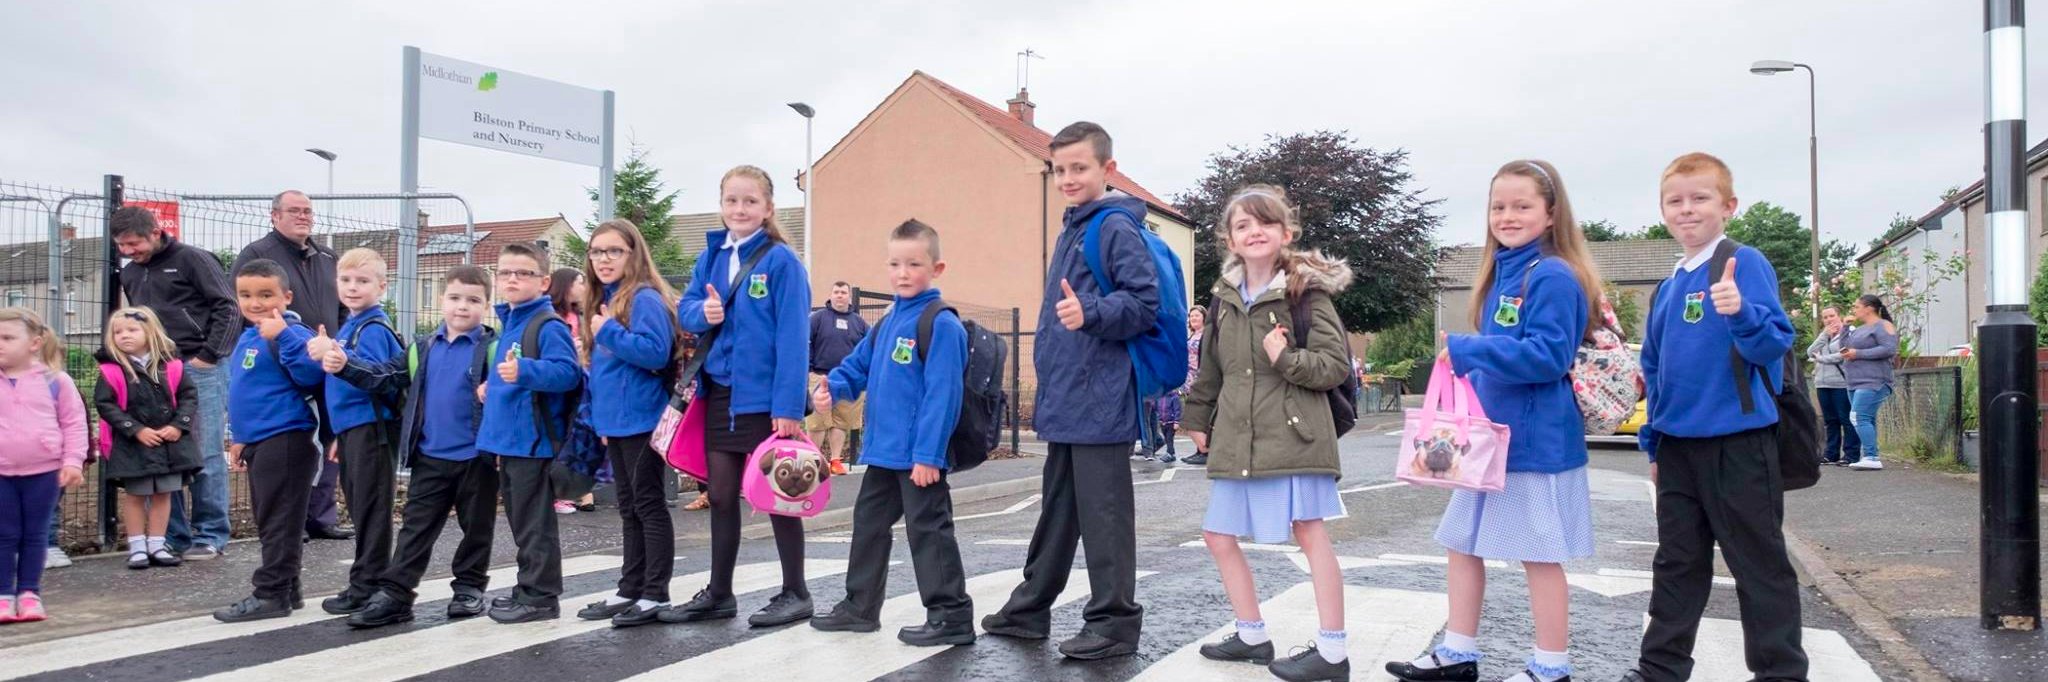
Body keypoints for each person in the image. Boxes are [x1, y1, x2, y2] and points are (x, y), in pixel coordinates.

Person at [1385, 162, 1601, 682]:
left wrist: (1469, 349)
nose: (1507, 216)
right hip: (1491, 440)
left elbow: (1549, 356)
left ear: (1551, 214)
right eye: (1498, 206)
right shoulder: (1507, 268)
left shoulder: (1551, 273)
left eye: (1522, 206)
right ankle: (1458, 654)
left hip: (1532, 442)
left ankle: (1551, 668)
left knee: (1539, 557)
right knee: (1462, 544)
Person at [1622, 153, 1806, 682]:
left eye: (1699, 198)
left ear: (1728, 206)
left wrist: (1741, 311)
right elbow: (1654, 370)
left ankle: (1781, 673)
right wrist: (1654, 445)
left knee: (1758, 565)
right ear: (1662, 211)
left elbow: (1774, 343)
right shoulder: (1668, 285)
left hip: (1740, 443)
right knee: (1677, 564)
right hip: (1678, 448)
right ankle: (1659, 669)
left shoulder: (1742, 262)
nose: (1687, 210)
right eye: (1674, 201)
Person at [982, 121, 1156, 661]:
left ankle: (1114, 623)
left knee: (1104, 514)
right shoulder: (1075, 228)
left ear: (1108, 169)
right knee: (1058, 510)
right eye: (1060, 170)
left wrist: (1092, 312)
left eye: (1079, 168)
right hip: (1070, 394)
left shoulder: (1112, 229)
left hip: (1099, 395)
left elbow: (1144, 304)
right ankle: (1030, 609)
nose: (1068, 178)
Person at [1181, 186, 1356, 682]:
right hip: (1239, 434)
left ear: (1286, 233)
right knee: (1218, 535)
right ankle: (1253, 634)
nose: (1254, 231)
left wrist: (1286, 359)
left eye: (1265, 223)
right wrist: (1197, 418)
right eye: (1243, 225)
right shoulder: (1224, 298)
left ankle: (1333, 651)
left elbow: (1333, 366)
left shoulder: (1305, 292)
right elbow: (1212, 368)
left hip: (1295, 434)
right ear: (1230, 239)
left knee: (1310, 533)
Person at [809, 219, 975, 646]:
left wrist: (929, 455)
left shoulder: (940, 324)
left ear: (937, 269)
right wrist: (833, 388)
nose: (902, 273)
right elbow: (857, 367)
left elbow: (943, 396)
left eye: (914, 264)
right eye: (895, 263)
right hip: (883, 453)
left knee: (929, 532)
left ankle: (950, 615)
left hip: (918, 457)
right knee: (868, 525)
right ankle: (860, 607)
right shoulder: (886, 323)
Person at [664, 164, 814, 628]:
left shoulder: (781, 262)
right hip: (720, 395)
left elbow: (793, 339)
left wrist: (788, 407)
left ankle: (796, 592)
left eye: (750, 201)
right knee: (723, 494)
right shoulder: (711, 257)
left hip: (765, 400)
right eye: (732, 200)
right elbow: (686, 308)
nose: (740, 209)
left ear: (767, 209)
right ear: (721, 205)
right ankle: (720, 593)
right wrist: (702, 311)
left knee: (777, 493)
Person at [337, 266, 503, 628]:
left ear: (487, 305)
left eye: (473, 300)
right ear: (442, 300)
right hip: (431, 457)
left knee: (477, 527)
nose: (463, 307)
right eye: (455, 298)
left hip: (478, 458)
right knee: (415, 528)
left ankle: (469, 588)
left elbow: (512, 392)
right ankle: (397, 594)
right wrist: (344, 364)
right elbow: (383, 377)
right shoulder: (422, 348)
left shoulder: (494, 350)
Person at [572, 219, 684, 628]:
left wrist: (608, 332)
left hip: (643, 420)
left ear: (633, 254)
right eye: (597, 251)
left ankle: (655, 592)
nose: (603, 259)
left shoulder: (644, 299)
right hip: (618, 421)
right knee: (629, 507)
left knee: (648, 505)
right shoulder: (609, 298)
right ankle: (630, 588)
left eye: (614, 251)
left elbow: (655, 353)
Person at [112, 205, 238, 560]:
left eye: (133, 243)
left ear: (154, 232)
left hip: (199, 366)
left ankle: (210, 534)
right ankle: (175, 536)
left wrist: (209, 355)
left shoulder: (193, 259)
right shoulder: (131, 274)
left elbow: (227, 306)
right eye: (121, 246)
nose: (128, 252)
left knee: (206, 451)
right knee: (167, 455)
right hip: (157, 370)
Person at [233, 190, 351, 543]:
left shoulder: (327, 256)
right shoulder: (257, 255)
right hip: (282, 357)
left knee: (330, 434)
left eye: (307, 211)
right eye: (294, 211)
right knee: (299, 439)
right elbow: (240, 306)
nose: (303, 217)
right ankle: (292, 521)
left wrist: (340, 339)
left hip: (327, 355)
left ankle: (321, 515)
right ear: (274, 216)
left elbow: (342, 305)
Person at [214, 259, 328, 623]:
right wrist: (240, 438)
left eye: (266, 294)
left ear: (287, 296)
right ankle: (287, 588)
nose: (256, 302)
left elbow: (310, 375)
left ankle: (271, 593)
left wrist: (282, 336)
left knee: (279, 518)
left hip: (288, 438)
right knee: (271, 518)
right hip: (261, 440)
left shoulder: (294, 333)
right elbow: (245, 393)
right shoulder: (248, 336)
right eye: (246, 295)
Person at [479, 242, 583, 624]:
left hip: (533, 442)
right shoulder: (515, 322)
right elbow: (514, 374)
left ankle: (540, 596)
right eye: (505, 272)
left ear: (543, 281)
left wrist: (523, 373)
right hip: (513, 440)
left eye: (522, 273)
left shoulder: (545, 324)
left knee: (535, 524)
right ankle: (528, 588)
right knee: (523, 522)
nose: (512, 279)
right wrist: (495, 386)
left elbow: (567, 373)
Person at [307, 248, 406, 616]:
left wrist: (337, 356)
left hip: (372, 429)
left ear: (382, 286)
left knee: (370, 509)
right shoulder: (352, 324)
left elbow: (380, 377)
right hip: (355, 429)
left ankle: (368, 584)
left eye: (362, 281)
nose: (352, 287)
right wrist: (338, 434)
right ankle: (367, 581)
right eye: (346, 280)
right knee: (363, 506)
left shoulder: (372, 328)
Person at [94, 308, 202, 571]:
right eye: (118, 332)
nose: (124, 336)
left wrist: (179, 426)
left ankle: (157, 543)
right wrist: (134, 429)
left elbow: (189, 397)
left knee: (164, 493)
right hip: (133, 446)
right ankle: (137, 546)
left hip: (169, 444)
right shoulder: (111, 371)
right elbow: (105, 405)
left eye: (132, 330)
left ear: (150, 333)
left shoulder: (173, 367)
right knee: (135, 495)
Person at [0, 308, 88, 624]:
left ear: (35, 343)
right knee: (5, 534)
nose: (1, 344)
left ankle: (28, 593)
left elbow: (75, 424)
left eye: (8, 338)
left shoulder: (56, 381)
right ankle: (3, 596)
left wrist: (73, 461)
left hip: (44, 472)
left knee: (35, 534)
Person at [548, 268, 602, 515]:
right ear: (566, 286)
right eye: (580, 282)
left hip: (584, 379)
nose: (584, 286)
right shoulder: (554, 318)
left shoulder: (580, 315)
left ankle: (581, 493)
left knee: (579, 431)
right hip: (568, 383)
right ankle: (564, 493)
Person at [809, 281, 869, 475]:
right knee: (817, 421)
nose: (840, 295)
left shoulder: (859, 323)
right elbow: (805, 343)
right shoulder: (817, 318)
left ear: (849, 297)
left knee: (841, 421)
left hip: (847, 380)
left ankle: (835, 460)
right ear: (831, 295)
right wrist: (809, 370)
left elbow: (868, 349)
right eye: (836, 292)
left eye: (843, 292)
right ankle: (814, 459)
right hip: (820, 376)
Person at [1840, 295, 1898, 471]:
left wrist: (1858, 354)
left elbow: (1889, 349)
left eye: (1857, 306)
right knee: (1866, 418)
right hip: (1855, 381)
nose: (1854, 309)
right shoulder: (1859, 329)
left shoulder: (1883, 325)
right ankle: (1870, 455)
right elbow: (1843, 347)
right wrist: (1844, 327)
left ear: (1869, 308)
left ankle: (1871, 457)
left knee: (1858, 416)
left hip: (1874, 381)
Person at [1806, 307, 1859, 465]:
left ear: (1839, 316)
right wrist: (1824, 335)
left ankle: (1851, 454)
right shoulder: (1824, 336)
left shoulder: (1848, 333)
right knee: (1830, 420)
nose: (1829, 319)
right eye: (1825, 317)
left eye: (1832, 316)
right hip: (1822, 383)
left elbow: (1843, 355)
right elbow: (1810, 352)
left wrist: (1822, 359)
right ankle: (1831, 453)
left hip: (1841, 383)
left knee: (1846, 419)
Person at [1180, 305, 1208, 466]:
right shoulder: (1192, 336)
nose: (1193, 319)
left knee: (1200, 416)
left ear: (1204, 317)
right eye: (1191, 316)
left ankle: (1204, 450)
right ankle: (1200, 448)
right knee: (1195, 416)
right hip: (1190, 380)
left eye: (1197, 316)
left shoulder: (1206, 335)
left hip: (1200, 380)